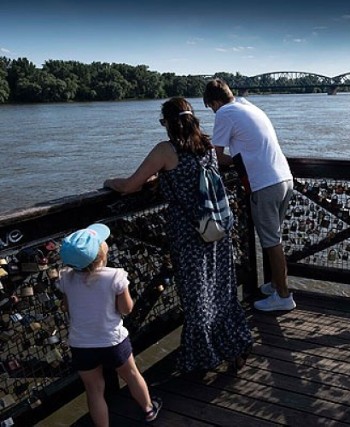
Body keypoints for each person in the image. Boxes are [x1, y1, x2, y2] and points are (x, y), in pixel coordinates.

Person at [103, 97, 253, 373]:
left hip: (188, 235)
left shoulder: (165, 150)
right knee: (221, 290)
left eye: (163, 122)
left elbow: (130, 186)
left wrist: (109, 182)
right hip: (216, 229)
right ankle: (235, 347)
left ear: (169, 123)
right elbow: (196, 177)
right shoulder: (207, 146)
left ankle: (203, 358)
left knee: (196, 297)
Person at [203, 78, 295, 312]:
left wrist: (234, 161)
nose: (213, 112)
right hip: (284, 178)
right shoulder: (249, 106)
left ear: (215, 102)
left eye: (211, 107)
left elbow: (215, 157)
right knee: (275, 238)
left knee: (272, 241)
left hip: (264, 184)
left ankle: (283, 296)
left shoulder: (225, 112)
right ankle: (276, 284)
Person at [57, 223, 162, 425]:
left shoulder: (65, 278)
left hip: (81, 344)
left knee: (94, 389)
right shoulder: (115, 276)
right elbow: (126, 309)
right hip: (113, 340)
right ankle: (149, 409)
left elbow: (67, 308)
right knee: (131, 375)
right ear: (101, 255)